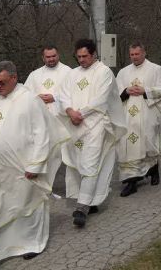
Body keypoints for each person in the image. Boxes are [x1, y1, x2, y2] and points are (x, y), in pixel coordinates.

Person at [0, 61, 69, 270]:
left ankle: (32, 244)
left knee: (28, 208)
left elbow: (42, 134)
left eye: (2, 82)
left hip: (23, 170)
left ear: (14, 78)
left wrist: (36, 165)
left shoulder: (29, 100)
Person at [59, 39, 126, 227]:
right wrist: (70, 111)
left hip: (96, 124)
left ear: (94, 54)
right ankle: (91, 199)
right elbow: (62, 95)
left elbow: (101, 99)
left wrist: (81, 113)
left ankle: (82, 207)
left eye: (85, 56)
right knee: (78, 163)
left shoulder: (104, 72)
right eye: (78, 57)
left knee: (90, 164)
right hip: (74, 125)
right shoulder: (72, 74)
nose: (81, 60)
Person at [116, 42, 161, 197]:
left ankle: (153, 170)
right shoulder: (124, 72)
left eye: (137, 54)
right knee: (128, 144)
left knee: (147, 143)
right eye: (131, 54)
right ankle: (131, 181)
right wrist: (125, 91)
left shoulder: (156, 69)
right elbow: (115, 92)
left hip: (148, 113)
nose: (134, 57)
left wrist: (146, 90)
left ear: (144, 53)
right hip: (128, 116)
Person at [24, 46, 71, 116]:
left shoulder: (68, 72)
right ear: (43, 58)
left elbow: (73, 93)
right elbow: (25, 94)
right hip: (40, 116)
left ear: (58, 55)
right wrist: (36, 97)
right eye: (48, 57)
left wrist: (55, 97)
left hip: (61, 117)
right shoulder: (34, 74)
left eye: (54, 56)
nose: (51, 59)